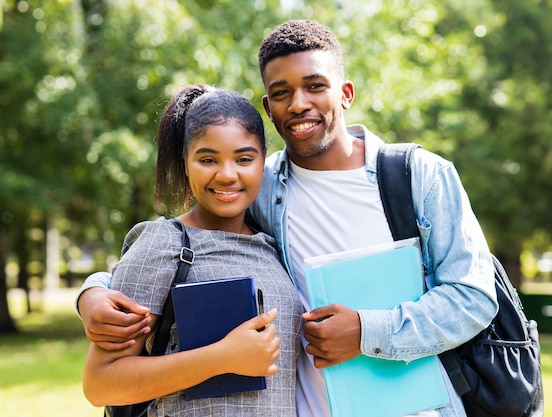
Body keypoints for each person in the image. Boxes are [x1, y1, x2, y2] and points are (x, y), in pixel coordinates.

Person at [78, 20, 498, 417]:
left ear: (346, 92)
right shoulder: (262, 187)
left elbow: (473, 296)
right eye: (281, 93)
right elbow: (174, 246)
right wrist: (93, 294)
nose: (299, 104)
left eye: (315, 86)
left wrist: (367, 331)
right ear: (268, 105)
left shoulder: (416, 175)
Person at [81, 85, 303, 417]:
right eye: (208, 159)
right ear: (185, 163)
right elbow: (101, 383)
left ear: (262, 162)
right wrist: (222, 357)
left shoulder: (275, 245)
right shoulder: (165, 243)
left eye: (244, 158)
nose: (227, 175)